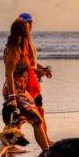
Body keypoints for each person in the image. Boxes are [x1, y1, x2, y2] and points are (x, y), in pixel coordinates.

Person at [3, 18, 51, 150]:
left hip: (21, 89)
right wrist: (12, 98)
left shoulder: (20, 48)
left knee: (13, 122)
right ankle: (48, 154)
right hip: (16, 90)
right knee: (36, 120)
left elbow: (26, 67)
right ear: (23, 33)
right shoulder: (13, 50)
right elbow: (9, 74)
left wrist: (41, 71)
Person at [18, 12, 53, 144]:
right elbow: (22, 64)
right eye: (26, 22)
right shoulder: (20, 41)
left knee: (38, 112)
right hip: (24, 84)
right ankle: (10, 145)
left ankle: (46, 140)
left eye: (29, 22)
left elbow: (31, 61)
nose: (28, 25)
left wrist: (42, 69)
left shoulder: (28, 39)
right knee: (21, 116)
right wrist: (36, 70)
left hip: (32, 82)